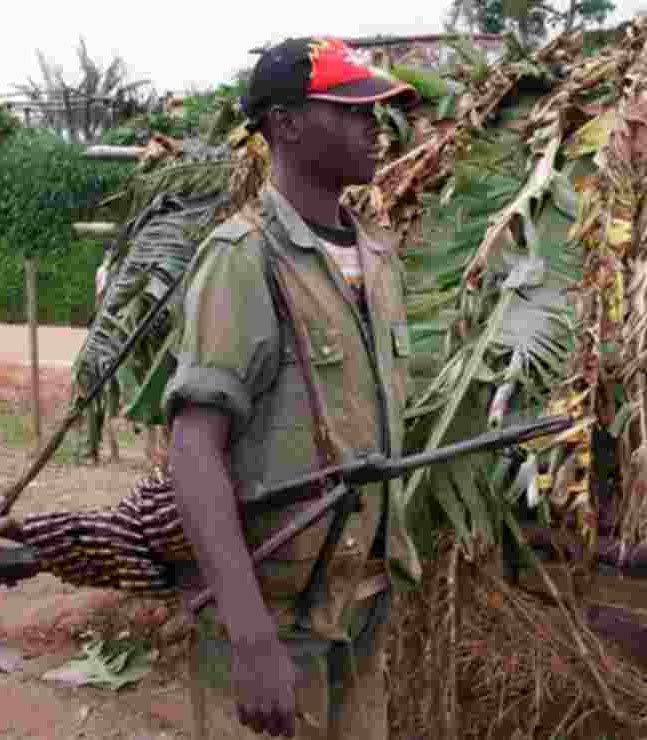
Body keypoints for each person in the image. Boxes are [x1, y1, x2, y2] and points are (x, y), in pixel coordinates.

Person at [162, 37, 422, 739]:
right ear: (285, 124)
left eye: (378, 112)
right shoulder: (245, 259)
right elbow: (193, 450)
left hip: (361, 605)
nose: (376, 127)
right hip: (278, 619)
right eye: (351, 110)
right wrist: (250, 637)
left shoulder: (378, 255)